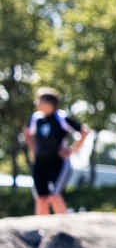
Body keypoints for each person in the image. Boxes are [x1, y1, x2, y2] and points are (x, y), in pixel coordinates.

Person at [23, 87, 89, 215]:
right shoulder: (36, 118)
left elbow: (84, 131)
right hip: (40, 162)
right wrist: (34, 150)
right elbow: (27, 133)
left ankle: (64, 228)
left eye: (39, 100)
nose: (36, 103)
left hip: (58, 163)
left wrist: (71, 150)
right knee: (41, 198)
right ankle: (41, 229)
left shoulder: (61, 118)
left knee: (54, 195)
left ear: (49, 103)